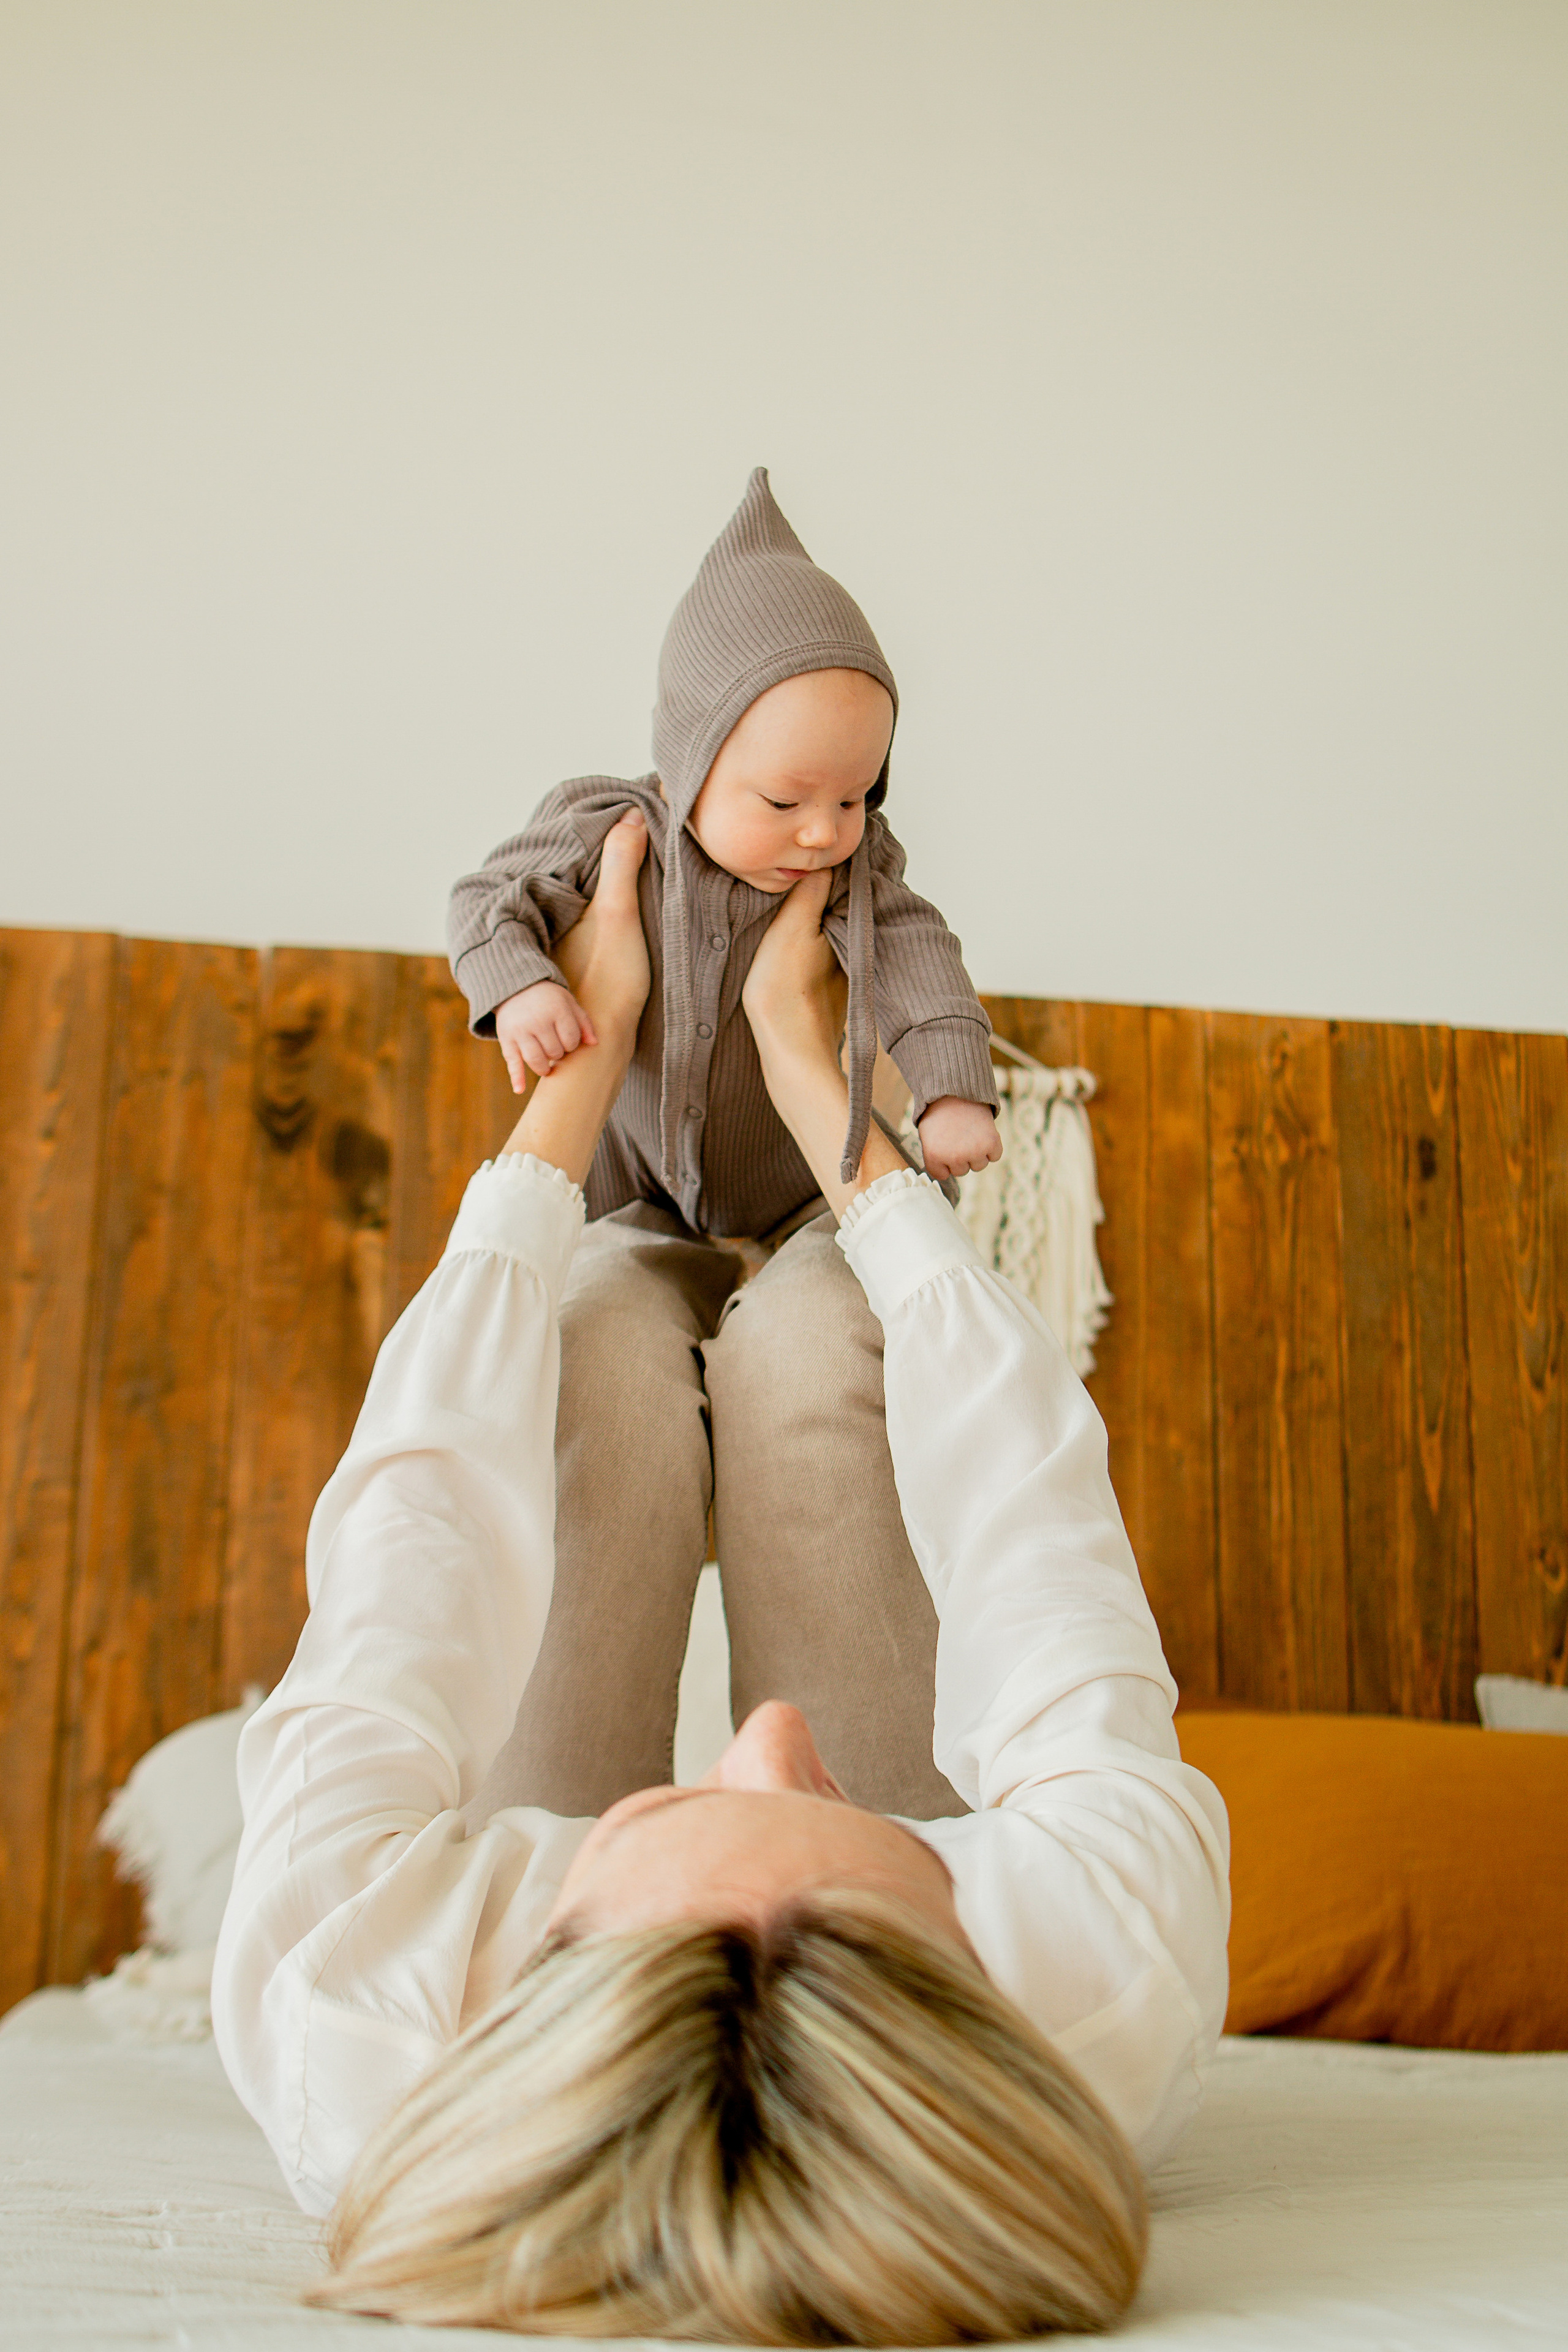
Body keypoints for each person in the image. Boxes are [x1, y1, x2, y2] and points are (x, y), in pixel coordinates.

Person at [213, 813, 1230, 2342]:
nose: (760, 1737)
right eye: (890, 1850)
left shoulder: (354, 1980)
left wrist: (576, 1087)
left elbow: (410, 1534)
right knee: (833, 1327)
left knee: (593, 1315)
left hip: (487, 1928)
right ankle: (851, 1849)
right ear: (974, 1962)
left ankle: (640, 1288)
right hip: (943, 1949)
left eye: (680, 1811)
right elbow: (1033, 1522)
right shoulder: (1100, 1964)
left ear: (528, 1945)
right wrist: (827, 1100)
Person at [449, 468, 1005, 1822]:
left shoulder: (856, 877)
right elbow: (486, 894)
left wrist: (948, 1091)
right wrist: (522, 986)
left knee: (816, 1347)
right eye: (784, 800)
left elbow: (927, 970)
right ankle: (562, 1853)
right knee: (588, 1341)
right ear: (692, 757)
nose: (824, 832)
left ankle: (866, 1846)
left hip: (809, 1211)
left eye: (855, 797)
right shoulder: (606, 829)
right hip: (639, 1211)